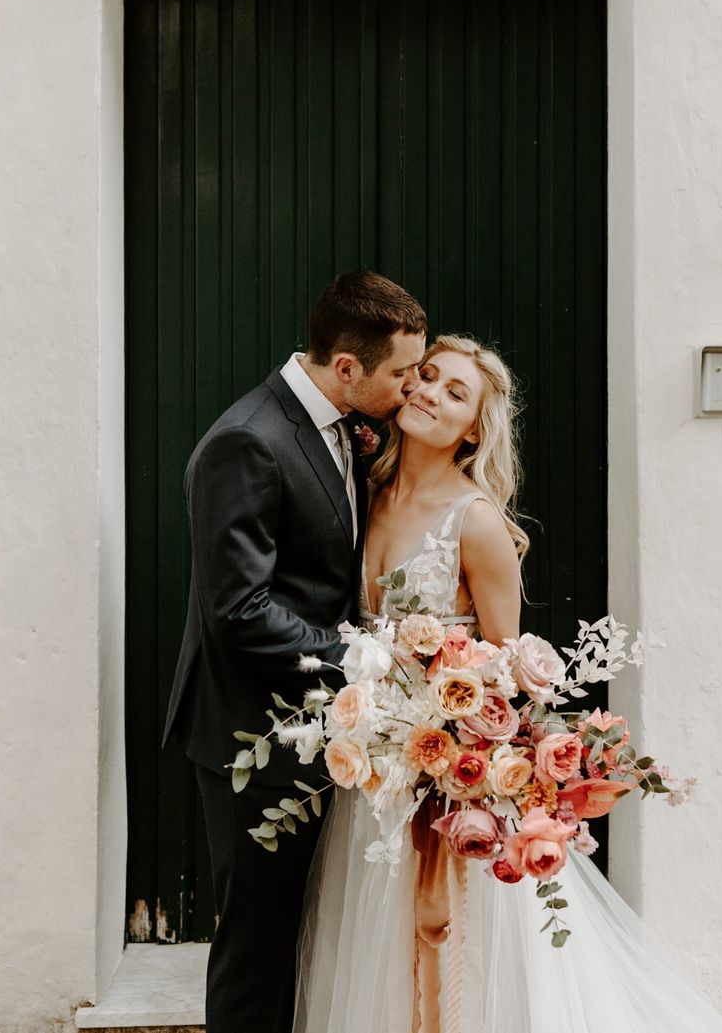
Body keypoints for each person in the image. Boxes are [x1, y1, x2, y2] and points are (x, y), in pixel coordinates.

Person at [294, 335, 722, 1033]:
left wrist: (450, 744)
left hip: (448, 786)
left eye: (454, 392)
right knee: (374, 951)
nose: (431, 391)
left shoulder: (477, 522)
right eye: (427, 376)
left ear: (473, 431)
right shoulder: (363, 489)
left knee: (460, 955)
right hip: (373, 785)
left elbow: (505, 673)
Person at [162, 270, 427, 1033]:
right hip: (258, 736)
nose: (412, 386)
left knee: (306, 940)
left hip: (327, 733)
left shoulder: (348, 425)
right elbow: (238, 610)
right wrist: (366, 659)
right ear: (347, 367)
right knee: (259, 946)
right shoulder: (247, 439)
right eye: (402, 373)